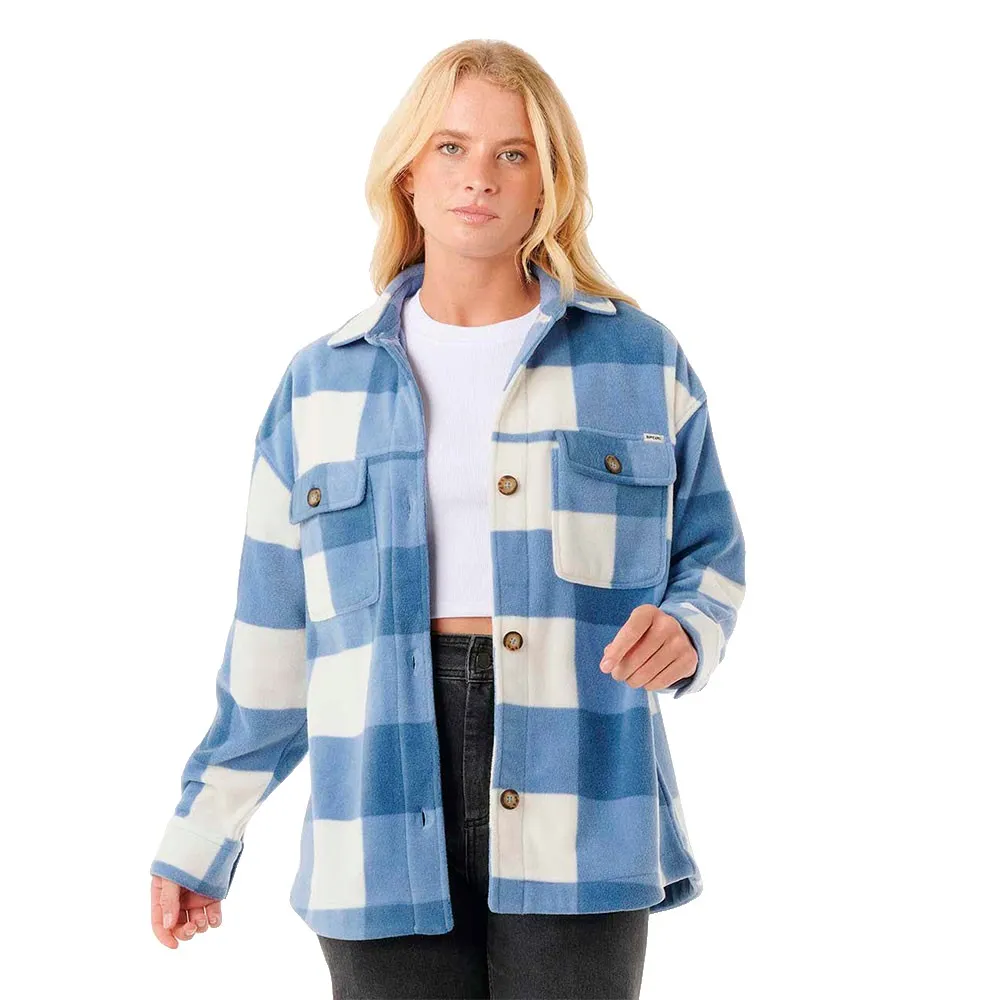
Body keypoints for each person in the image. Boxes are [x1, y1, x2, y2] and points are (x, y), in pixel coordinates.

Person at [149, 38, 746, 1000]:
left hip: (583, 795)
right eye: (451, 148)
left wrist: (689, 628)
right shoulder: (320, 384)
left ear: (549, 183)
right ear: (408, 174)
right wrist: (201, 836)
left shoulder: (638, 358)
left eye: (513, 153)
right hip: (374, 805)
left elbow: (711, 554)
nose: (480, 178)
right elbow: (272, 641)